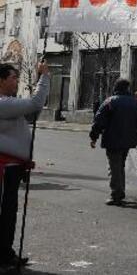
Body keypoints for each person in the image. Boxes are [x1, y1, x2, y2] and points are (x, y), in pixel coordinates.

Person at [0, 62, 49, 268]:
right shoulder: (2, 103)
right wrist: (44, 77)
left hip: (13, 167)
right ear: (1, 80)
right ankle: (3, 255)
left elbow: (31, 113)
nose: (17, 81)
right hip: (4, 170)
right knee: (5, 214)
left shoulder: (9, 102)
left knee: (8, 213)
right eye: (13, 78)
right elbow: (34, 104)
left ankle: (5, 252)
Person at [89, 78, 137, 206]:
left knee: (114, 167)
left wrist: (93, 137)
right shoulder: (134, 103)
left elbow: (99, 121)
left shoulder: (110, 102)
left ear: (116, 87)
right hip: (128, 141)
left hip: (112, 140)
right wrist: (135, 136)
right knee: (120, 166)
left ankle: (116, 195)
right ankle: (120, 191)